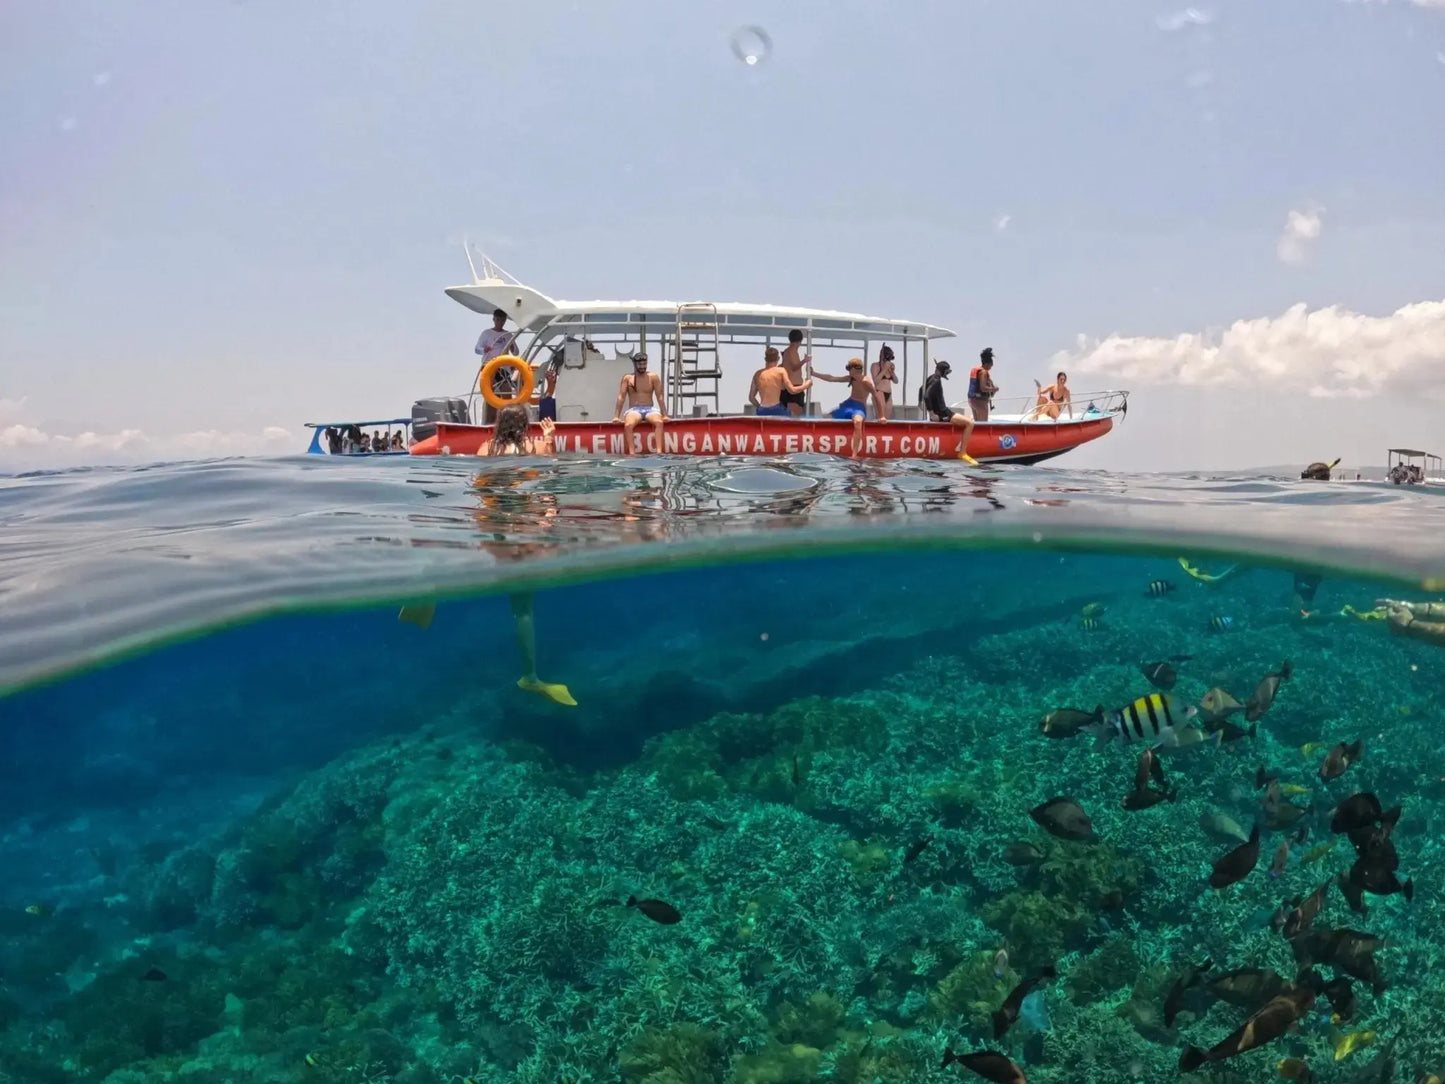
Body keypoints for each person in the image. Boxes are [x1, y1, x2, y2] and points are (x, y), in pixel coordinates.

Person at [813, 357, 884, 457]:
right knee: (826, 417)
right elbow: (832, 378)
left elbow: (876, 396)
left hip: (858, 407)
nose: (848, 371)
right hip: (848, 405)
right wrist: (814, 373)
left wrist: (881, 416)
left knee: (858, 422)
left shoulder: (866, 381)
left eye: (849, 368)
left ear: (855, 368)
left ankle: (854, 453)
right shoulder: (851, 378)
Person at [922, 360, 980, 465]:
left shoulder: (931, 378)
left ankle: (962, 451)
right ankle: (962, 452)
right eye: (946, 372)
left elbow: (921, 389)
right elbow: (926, 395)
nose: (947, 374)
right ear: (942, 371)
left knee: (967, 419)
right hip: (943, 413)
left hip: (944, 412)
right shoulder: (936, 381)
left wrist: (919, 403)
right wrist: (931, 413)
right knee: (970, 423)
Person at [612, 351, 667, 454]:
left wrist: (665, 415)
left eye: (644, 364)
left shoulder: (653, 377)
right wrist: (616, 416)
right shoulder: (628, 378)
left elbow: (659, 396)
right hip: (634, 410)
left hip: (650, 409)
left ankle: (659, 452)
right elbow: (621, 397)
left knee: (659, 422)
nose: (642, 367)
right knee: (628, 425)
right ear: (635, 364)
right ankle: (632, 453)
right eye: (640, 364)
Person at [475, 308, 519, 424]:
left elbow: (516, 352)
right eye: (498, 319)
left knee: (507, 392)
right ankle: (489, 422)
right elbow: (477, 349)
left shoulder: (508, 334)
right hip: (489, 365)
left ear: (505, 321)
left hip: (502, 367)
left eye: (502, 320)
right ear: (494, 319)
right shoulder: (486, 333)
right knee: (490, 395)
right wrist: (484, 349)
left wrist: (513, 348)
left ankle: (509, 421)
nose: (500, 322)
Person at [749, 347, 811, 416]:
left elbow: (751, 398)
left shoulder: (757, 374)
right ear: (778, 358)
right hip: (777, 409)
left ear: (765, 359)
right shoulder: (780, 371)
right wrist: (806, 385)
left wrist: (759, 407)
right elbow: (792, 390)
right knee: (795, 416)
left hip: (762, 410)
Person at [485, 404, 556, 456]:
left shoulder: (486, 448)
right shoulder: (538, 447)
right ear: (525, 425)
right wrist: (548, 438)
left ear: (499, 425)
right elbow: (550, 464)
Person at [779, 329, 812, 417]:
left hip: (786, 388)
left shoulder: (786, 351)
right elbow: (794, 367)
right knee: (795, 419)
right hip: (794, 387)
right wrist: (805, 360)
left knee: (788, 418)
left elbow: (785, 366)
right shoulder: (792, 350)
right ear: (800, 340)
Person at [967, 348, 998, 421]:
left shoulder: (976, 370)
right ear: (987, 364)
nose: (991, 367)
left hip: (972, 400)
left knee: (977, 424)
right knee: (983, 424)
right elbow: (983, 388)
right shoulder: (983, 372)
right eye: (991, 365)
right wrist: (994, 389)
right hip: (980, 401)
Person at [870, 345, 898, 420]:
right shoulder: (875, 365)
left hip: (889, 394)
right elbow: (876, 381)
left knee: (887, 419)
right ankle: (876, 431)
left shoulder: (890, 366)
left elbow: (896, 381)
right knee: (880, 418)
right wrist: (884, 369)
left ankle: (884, 431)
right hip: (879, 392)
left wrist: (891, 372)